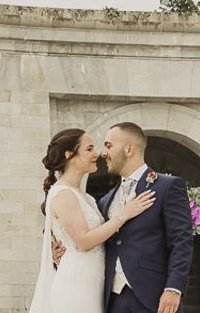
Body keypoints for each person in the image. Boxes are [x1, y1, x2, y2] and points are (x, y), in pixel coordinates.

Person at [53, 122, 193, 313]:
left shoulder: (167, 186)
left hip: (155, 298)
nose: (103, 153)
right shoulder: (104, 201)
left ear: (129, 149)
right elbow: (93, 237)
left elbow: (181, 241)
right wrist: (63, 249)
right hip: (112, 300)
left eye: (109, 146)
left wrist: (174, 288)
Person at [29, 128, 156, 313]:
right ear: (69, 155)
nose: (96, 154)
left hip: (92, 284)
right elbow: (83, 241)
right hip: (76, 284)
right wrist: (124, 214)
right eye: (89, 149)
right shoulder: (64, 194)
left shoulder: (85, 197)